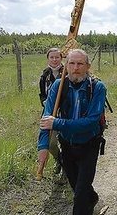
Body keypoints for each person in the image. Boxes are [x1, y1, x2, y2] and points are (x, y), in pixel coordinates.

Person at [37, 49, 106, 214]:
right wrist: (43, 147)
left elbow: (90, 122)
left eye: (80, 64)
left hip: (90, 145)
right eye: (72, 63)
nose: (76, 68)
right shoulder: (58, 86)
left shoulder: (97, 87)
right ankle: (92, 198)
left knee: (80, 197)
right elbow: (47, 118)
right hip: (67, 145)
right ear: (66, 65)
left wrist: (59, 123)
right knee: (77, 186)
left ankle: (85, 204)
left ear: (88, 66)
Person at [38, 47, 64, 174]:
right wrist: (44, 102)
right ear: (48, 58)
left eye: (57, 57)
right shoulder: (44, 76)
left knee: (67, 141)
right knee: (51, 143)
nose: (54, 60)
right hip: (50, 114)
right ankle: (59, 160)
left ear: (61, 58)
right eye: (52, 57)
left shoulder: (67, 72)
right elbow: (42, 94)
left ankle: (68, 166)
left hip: (65, 113)